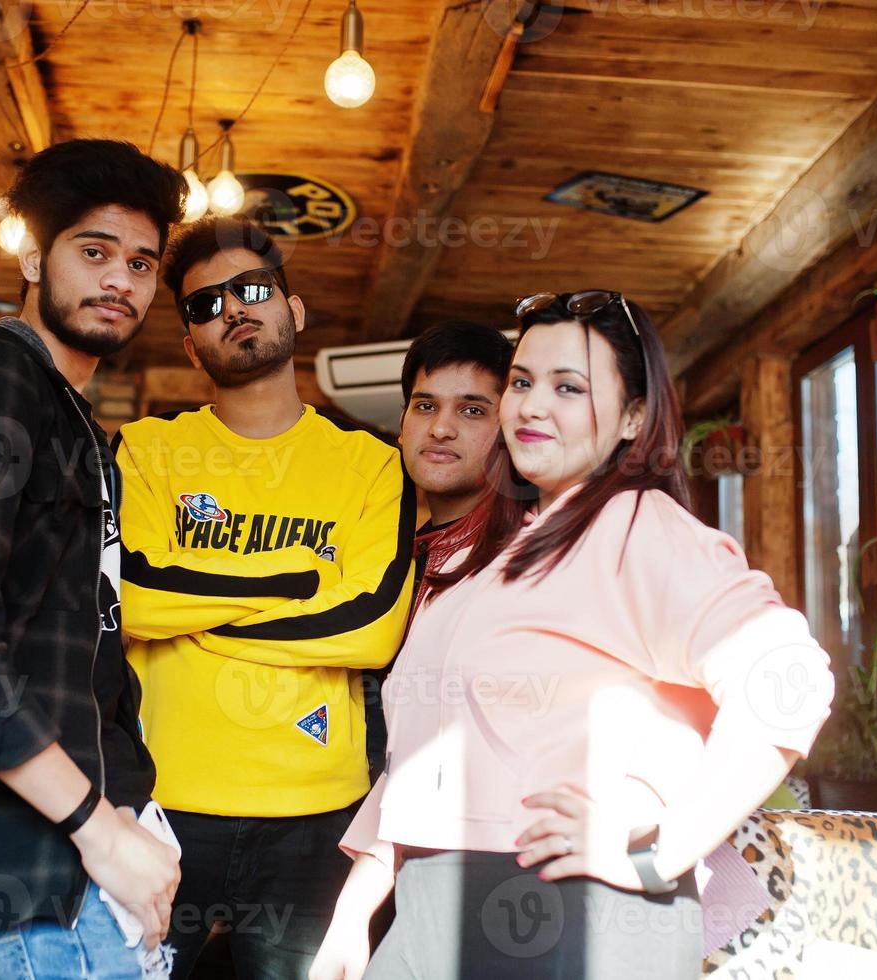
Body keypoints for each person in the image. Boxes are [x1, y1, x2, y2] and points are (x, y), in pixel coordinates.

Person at [310, 290, 835, 979]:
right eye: (522, 383)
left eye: (568, 387)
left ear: (634, 417)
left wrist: (658, 850)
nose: (530, 405)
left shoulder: (633, 526)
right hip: (429, 909)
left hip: (569, 911)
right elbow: (422, 754)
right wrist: (354, 918)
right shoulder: (486, 557)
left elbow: (787, 682)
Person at [0, 139, 185, 980]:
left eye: (142, 263)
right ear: (29, 254)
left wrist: (128, 820)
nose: (120, 280)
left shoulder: (75, 420)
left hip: (100, 849)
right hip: (39, 856)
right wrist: (97, 827)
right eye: (93, 252)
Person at [113, 216, 415, 979]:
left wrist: (200, 616)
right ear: (189, 344)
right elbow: (137, 596)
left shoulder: (373, 465)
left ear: (294, 308)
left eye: (252, 289)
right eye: (204, 304)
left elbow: (372, 625)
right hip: (162, 804)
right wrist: (302, 573)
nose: (233, 309)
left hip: (316, 815)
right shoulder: (147, 450)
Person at [364, 320, 513, 778]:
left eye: (472, 410)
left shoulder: (524, 557)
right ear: (401, 427)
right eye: (425, 405)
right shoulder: (382, 552)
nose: (441, 429)